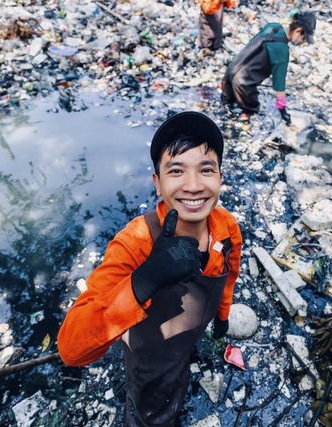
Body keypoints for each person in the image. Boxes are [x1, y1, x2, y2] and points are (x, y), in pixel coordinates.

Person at [57, 111, 243, 426]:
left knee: (180, 373)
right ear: (157, 183)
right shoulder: (134, 244)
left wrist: (222, 318)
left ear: (220, 178)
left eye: (206, 169)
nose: (194, 185)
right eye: (176, 171)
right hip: (149, 359)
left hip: (187, 340)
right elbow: (71, 349)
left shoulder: (226, 228)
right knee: (149, 412)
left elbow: (230, 276)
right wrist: (144, 280)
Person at [222, 11, 317, 125]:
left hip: (228, 76)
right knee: (252, 111)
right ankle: (247, 114)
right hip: (242, 86)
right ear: (298, 31)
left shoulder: (273, 26)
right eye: (304, 38)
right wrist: (283, 111)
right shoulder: (282, 50)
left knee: (226, 111)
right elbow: (279, 84)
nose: (303, 42)